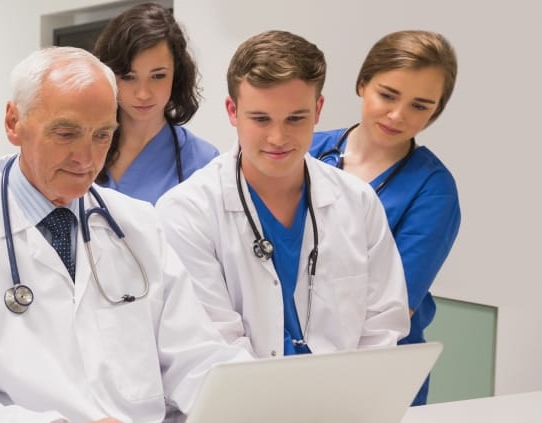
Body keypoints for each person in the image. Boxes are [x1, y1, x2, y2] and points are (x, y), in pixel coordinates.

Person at [0, 47, 251, 422]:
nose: (86, 158)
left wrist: (261, 395)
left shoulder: (138, 225)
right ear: (13, 122)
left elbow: (195, 357)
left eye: (102, 136)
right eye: (66, 133)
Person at [156, 31, 410, 360]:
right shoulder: (186, 211)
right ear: (232, 111)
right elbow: (212, 343)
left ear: (318, 110)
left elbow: (383, 325)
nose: (278, 137)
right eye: (260, 119)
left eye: (295, 118)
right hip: (239, 405)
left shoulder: (358, 203)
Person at [309, 30, 460, 405]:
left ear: (436, 111)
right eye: (388, 95)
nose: (397, 115)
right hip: (287, 359)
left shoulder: (433, 189)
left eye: (420, 106)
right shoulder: (307, 149)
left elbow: (394, 306)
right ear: (363, 83)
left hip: (377, 371)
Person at [91, 2, 218, 203]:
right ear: (108, 75)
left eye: (158, 76)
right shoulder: (84, 149)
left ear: (177, 75)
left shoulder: (202, 162)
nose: (143, 94)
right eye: (129, 77)